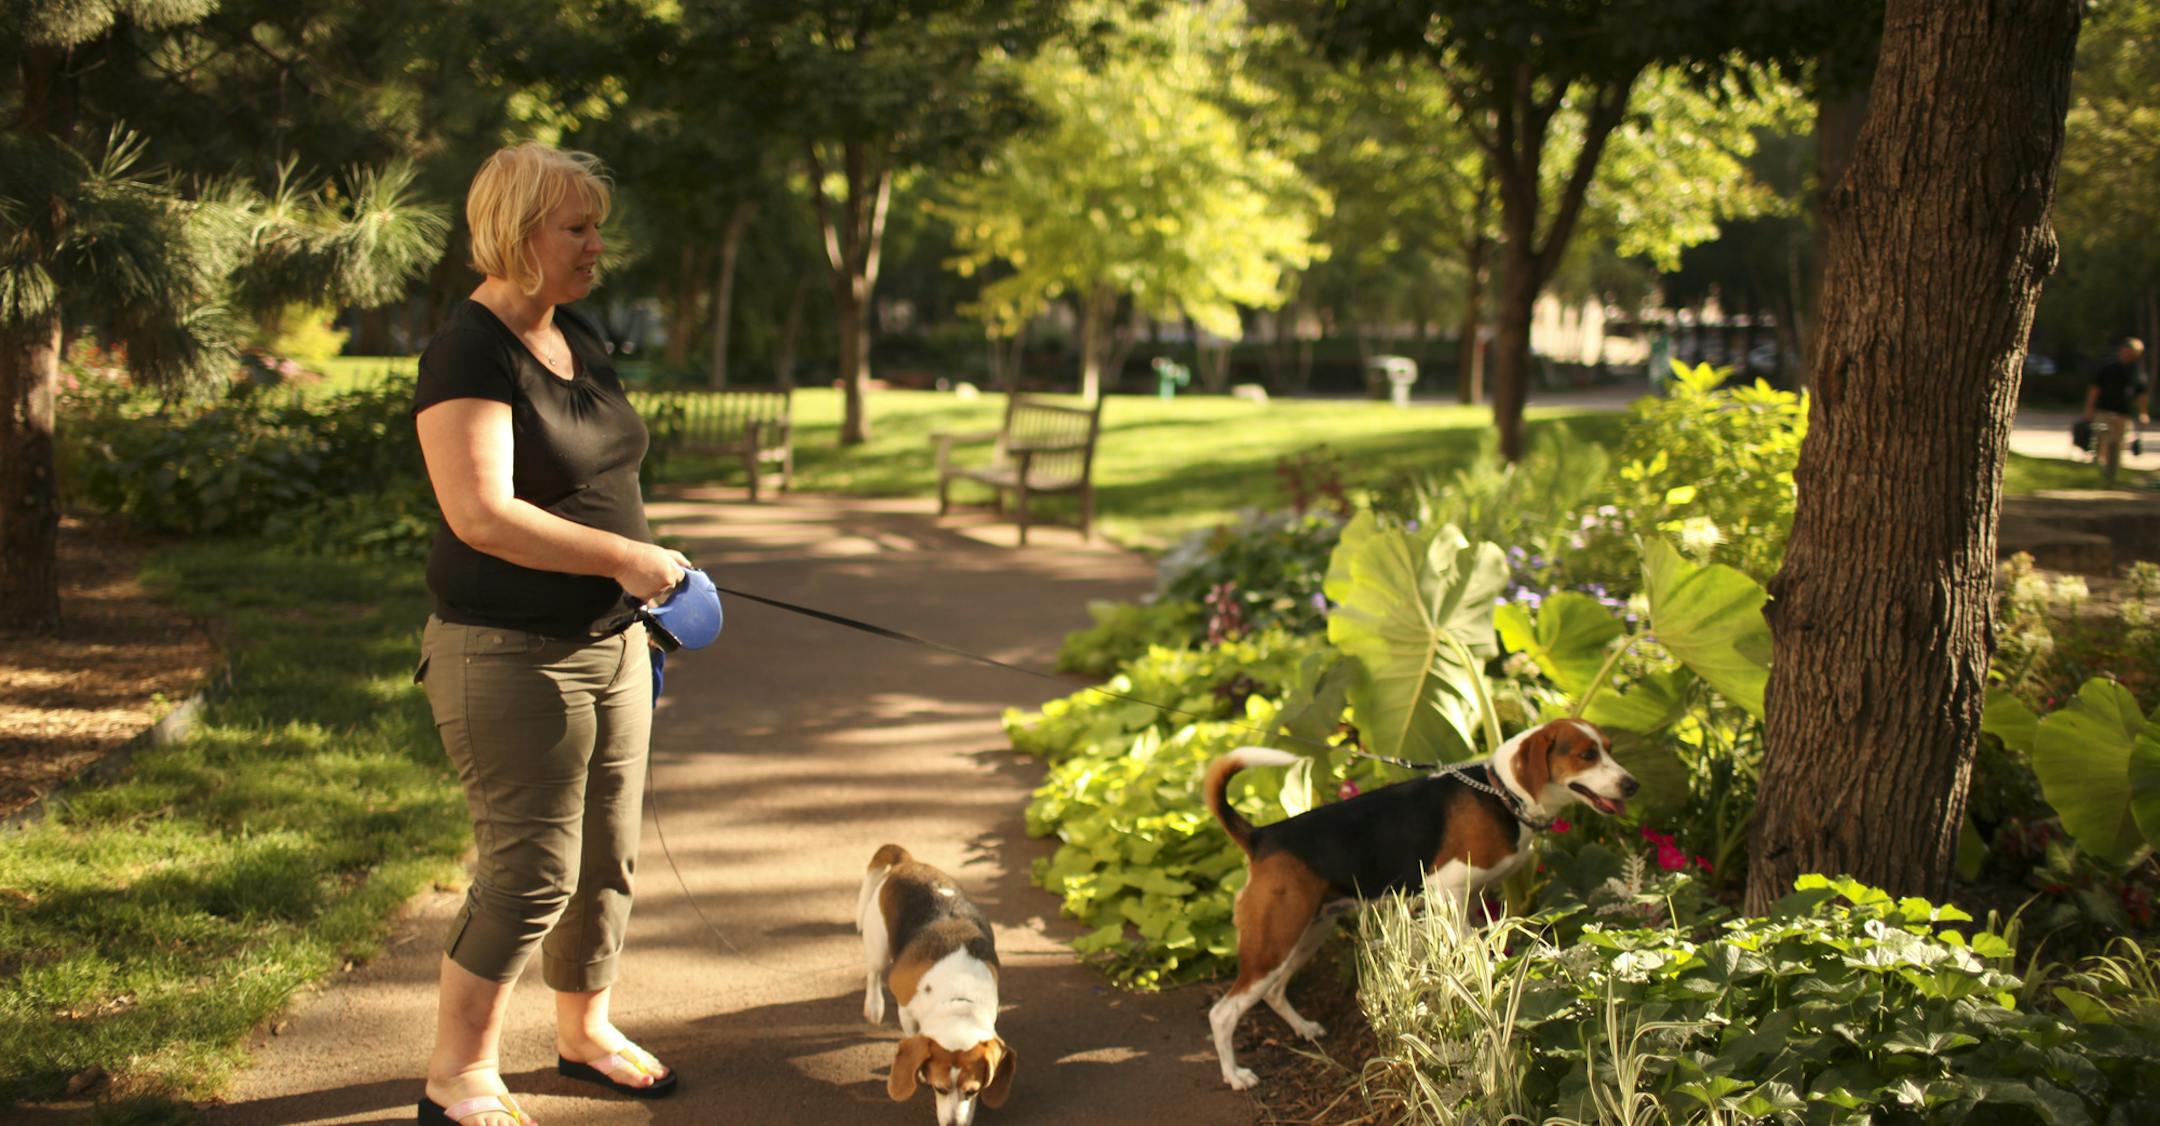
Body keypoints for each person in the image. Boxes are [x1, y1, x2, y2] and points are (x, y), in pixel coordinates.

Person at [410, 142, 689, 1126]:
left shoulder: (578, 332)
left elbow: (604, 477)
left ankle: (584, 1031)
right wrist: (623, 557)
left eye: (595, 225)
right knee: (530, 871)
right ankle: (458, 1074)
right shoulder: (468, 350)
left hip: (615, 639)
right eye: (576, 227)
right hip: (507, 652)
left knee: (607, 857)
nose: (595, 245)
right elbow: (480, 513)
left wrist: (648, 584)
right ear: (518, 232)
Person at [2085, 337, 2150, 484]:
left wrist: (2143, 412)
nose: (2133, 356)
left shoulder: (2137, 372)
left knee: (2117, 444)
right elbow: (2095, 389)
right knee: (2103, 439)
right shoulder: (2108, 368)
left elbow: (2142, 394)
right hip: (2104, 411)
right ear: (2123, 350)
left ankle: (2112, 474)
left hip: (2123, 414)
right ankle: (2098, 470)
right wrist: (2089, 409)